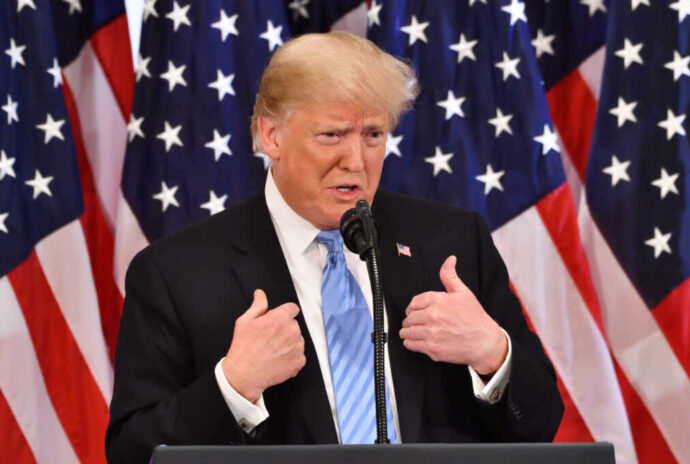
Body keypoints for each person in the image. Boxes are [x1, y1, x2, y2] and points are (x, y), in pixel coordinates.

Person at [106, 31, 563, 463]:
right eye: (332, 136)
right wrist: (233, 386)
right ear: (272, 136)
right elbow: (132, 452)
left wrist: (492, 354)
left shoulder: (451, 242)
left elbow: (541, 423)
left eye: (373, 135)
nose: (356, 161)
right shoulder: (177, 273)